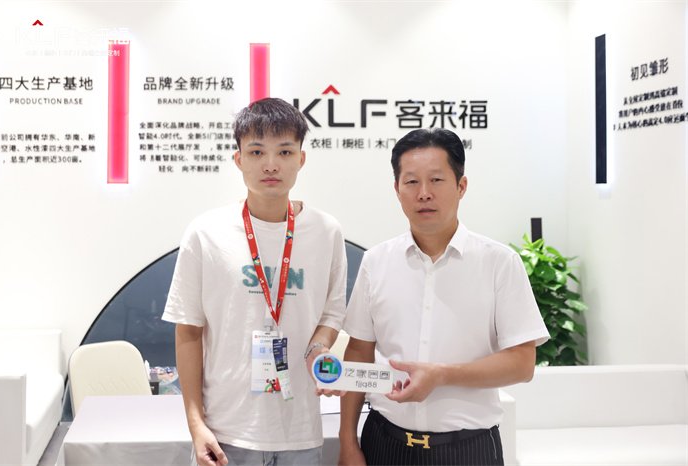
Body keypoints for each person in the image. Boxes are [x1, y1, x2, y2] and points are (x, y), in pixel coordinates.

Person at [338, 128, 549, 466]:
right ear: (397, 189)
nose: (424, 193)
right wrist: (347, 441)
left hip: (468, 449)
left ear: (461, 186)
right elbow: (359, 351)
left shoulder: (499, 262)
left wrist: (441, 375)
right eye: (411, 182)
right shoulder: (376, 261)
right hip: (385, 442)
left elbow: (522, 364)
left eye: (436, 180)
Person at [162, 98, 347, 466]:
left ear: (301, 159)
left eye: (285, 151)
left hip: (300, 432)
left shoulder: (326, 232)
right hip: (225, 432)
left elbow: (332, 313)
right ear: (239, 159)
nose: (271, 164)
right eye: (257, 151)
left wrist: (318, 347)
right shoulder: (206, 233)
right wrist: (196, 424)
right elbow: (189, 331)